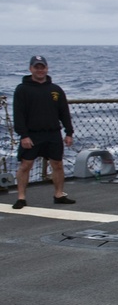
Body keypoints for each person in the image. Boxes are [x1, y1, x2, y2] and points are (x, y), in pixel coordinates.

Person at [11, 55, 75, 209]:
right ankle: (21, 197)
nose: (40, 70)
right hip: (32, 134)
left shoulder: (56, 90)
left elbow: (64, 112)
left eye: (42, 67)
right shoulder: (22, 89)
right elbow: (18, 114)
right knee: (26, 165)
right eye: (36, 67)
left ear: (46, 68)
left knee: (57, 164)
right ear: (30, 69)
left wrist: (69, 132)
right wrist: (23, 135)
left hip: (53, 133)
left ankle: (59, 194)